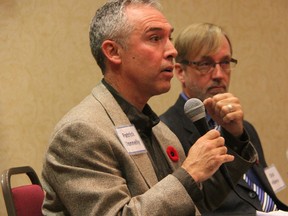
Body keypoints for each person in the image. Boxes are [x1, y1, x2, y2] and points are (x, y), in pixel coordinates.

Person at [41, 2, 257, 215]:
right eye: (155, 38)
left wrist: (234, 139)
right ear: (113, 51)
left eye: (169, 38)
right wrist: (188, 173)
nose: (172, 51)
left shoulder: (160, 131)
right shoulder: (81, 132)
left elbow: (197, 202)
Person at [160, 23, 288, 215]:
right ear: (180, 72)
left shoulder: (245, 128)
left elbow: (262, 191)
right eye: (205, 64)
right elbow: (189, 207)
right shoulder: (166, 131)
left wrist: (237, 135)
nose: (219, 75)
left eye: (225, 62)